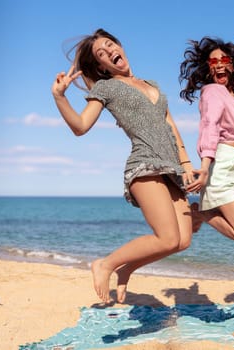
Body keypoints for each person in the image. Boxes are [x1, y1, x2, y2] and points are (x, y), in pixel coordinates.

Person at [51, 29, 199, 303]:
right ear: (100, 67)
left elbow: (170, 125)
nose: (109, 52)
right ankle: (104, 264)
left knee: (182, 240)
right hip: (143, 166)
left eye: (110, 45)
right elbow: (81, 127)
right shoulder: (106, 88)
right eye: (101, 54)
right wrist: (60, 97)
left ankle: (127, 267)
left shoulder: (151, 83)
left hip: (171, 169)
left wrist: (187, 163)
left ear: (120, 45)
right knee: (167, 238)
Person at [179, 27, 234, 244]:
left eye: (224, 59)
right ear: (209, 69)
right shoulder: (212, 92)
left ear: (231, 64)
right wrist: (205, 168)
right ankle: (201, 213)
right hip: (223, 168)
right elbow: (210, 127)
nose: (219, 63)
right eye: (213, 61)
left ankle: (202, 212)